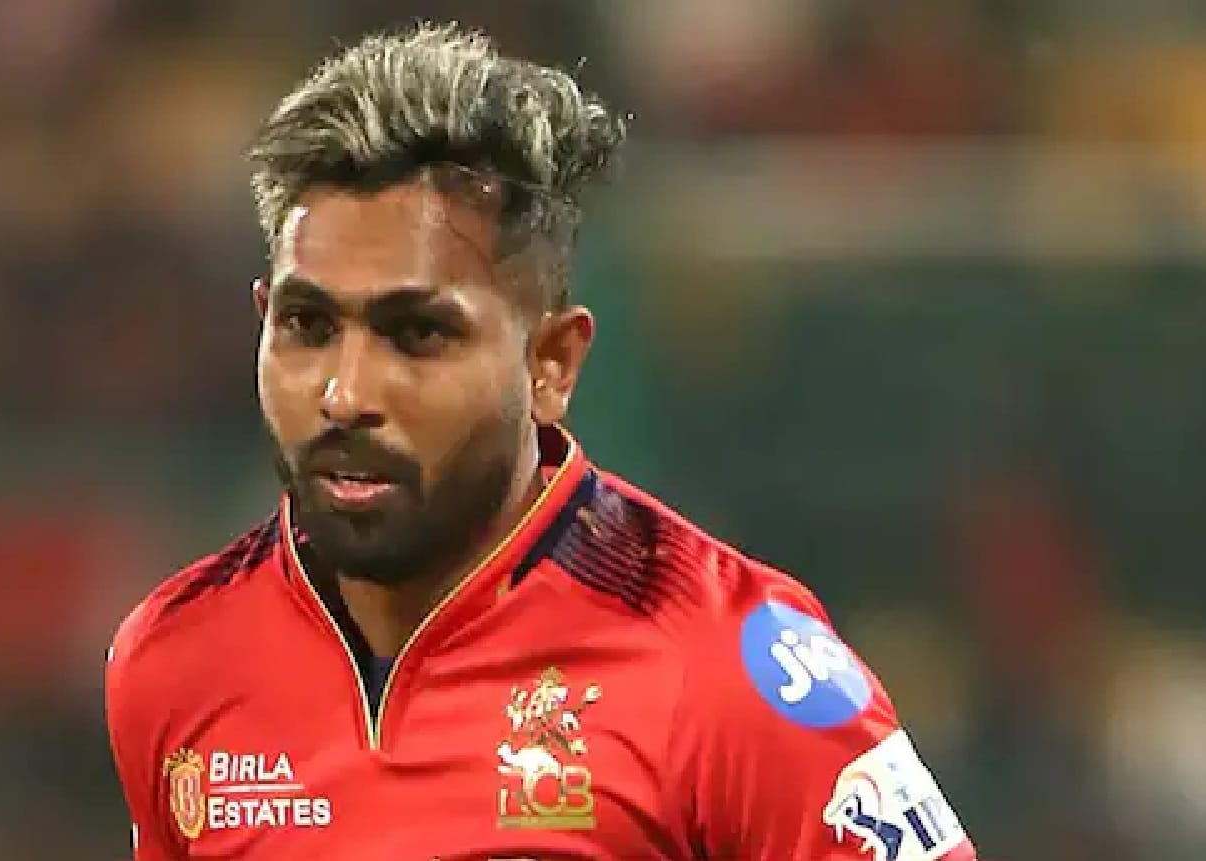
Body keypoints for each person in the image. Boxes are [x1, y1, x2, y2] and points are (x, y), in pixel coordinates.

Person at [104, 21, 977, 861]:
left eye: (417, 334)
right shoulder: (175, 658)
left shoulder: (731, 661)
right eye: (308, 325)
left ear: (552, 363)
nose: (345, 394)